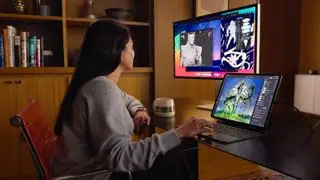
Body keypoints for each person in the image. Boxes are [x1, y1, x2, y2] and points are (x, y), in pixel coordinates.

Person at [50, 19, 215, 180]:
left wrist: (139, 110)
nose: (134, 52)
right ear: (120, 53)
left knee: (176, 149)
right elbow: (120, 157)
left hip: (91, 170)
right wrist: (180, 132)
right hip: (97, 175)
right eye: (132, 47)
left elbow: (128, 99)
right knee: (179, 151)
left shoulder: (97, 84)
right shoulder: (102, 89)